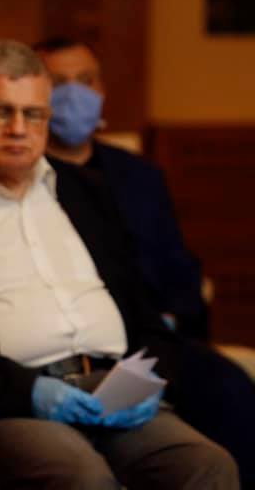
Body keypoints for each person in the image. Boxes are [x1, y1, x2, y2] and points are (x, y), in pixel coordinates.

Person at [0, 40, 238, 489]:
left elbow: (143, 313)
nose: (19, 129)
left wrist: (151, 378)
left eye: (34, 114)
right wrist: (31, 393)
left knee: (208, 465)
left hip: (116, 386)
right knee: (82, 479)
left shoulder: (90, 191)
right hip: (13, 402)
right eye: (0, 112)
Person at [34, 35, 255, 485]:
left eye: (85, 80)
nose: (74, 94)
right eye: (58, 83)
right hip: (79, 348)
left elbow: (179, 266)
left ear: (101, 89)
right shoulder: (27, 182)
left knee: (229, 392)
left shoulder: (139, 175)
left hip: (156, 343)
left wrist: (171, 321)